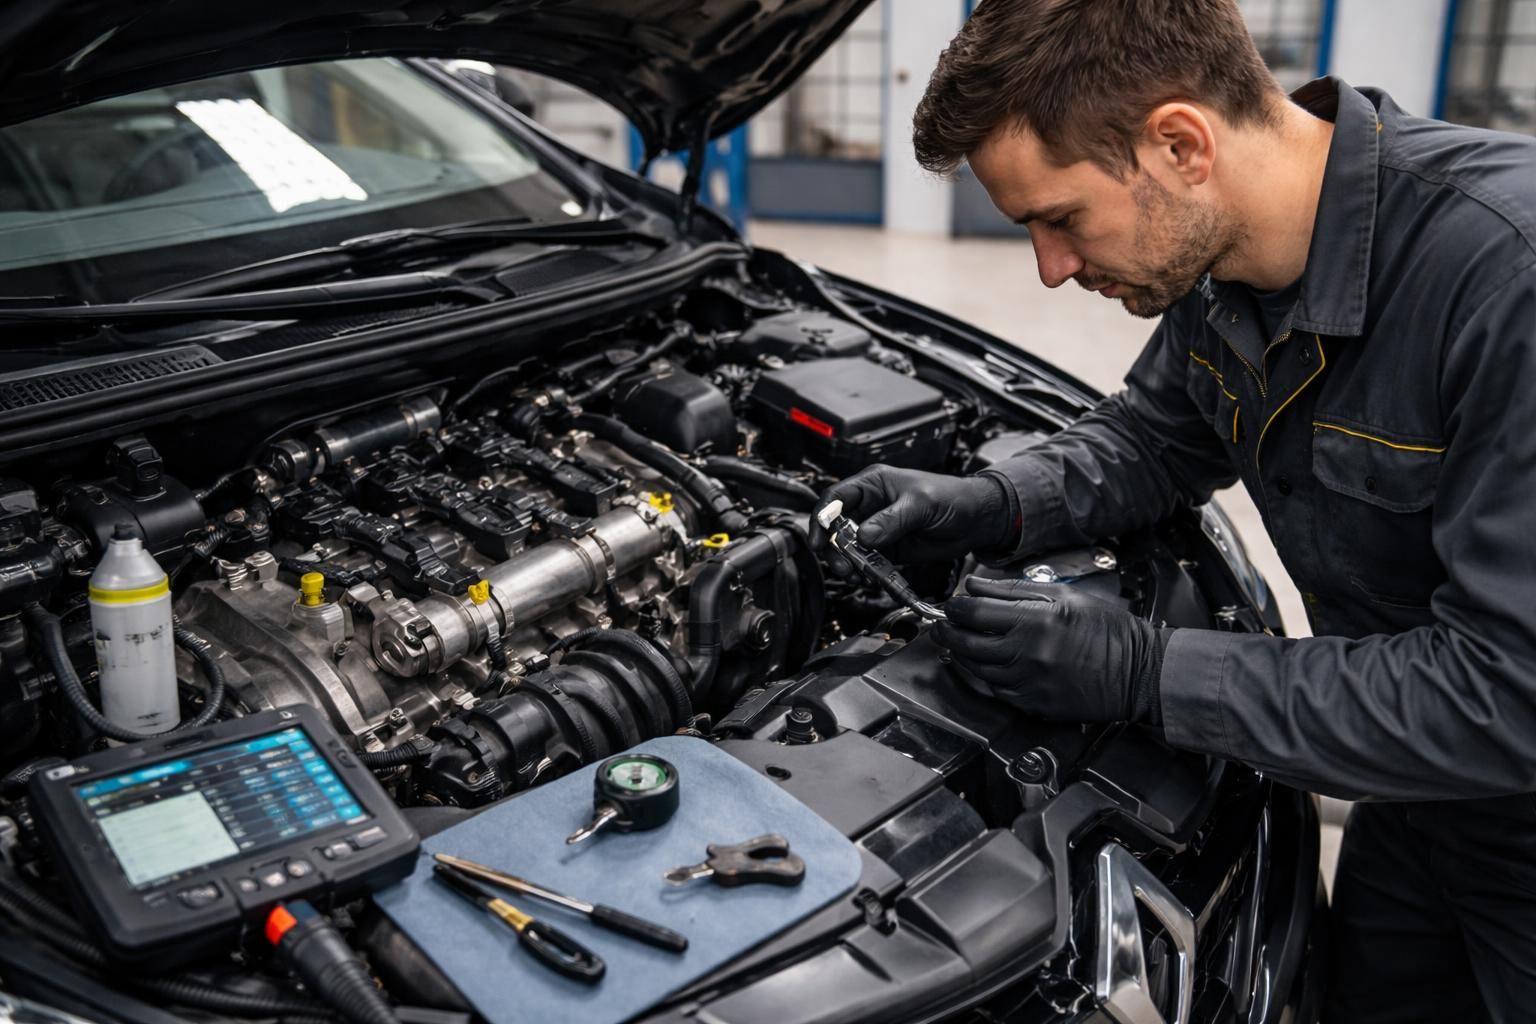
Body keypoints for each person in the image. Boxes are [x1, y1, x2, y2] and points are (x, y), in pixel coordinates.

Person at [813, 1, 1536, 1020]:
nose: (1051, 267)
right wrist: (989, 503)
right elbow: (1156, 438)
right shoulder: (1219, 258)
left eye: (1060, 218)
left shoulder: (1506, 280)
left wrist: (1144, 670)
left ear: (1181, 144)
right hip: (1413, 790)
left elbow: (1508, 693)